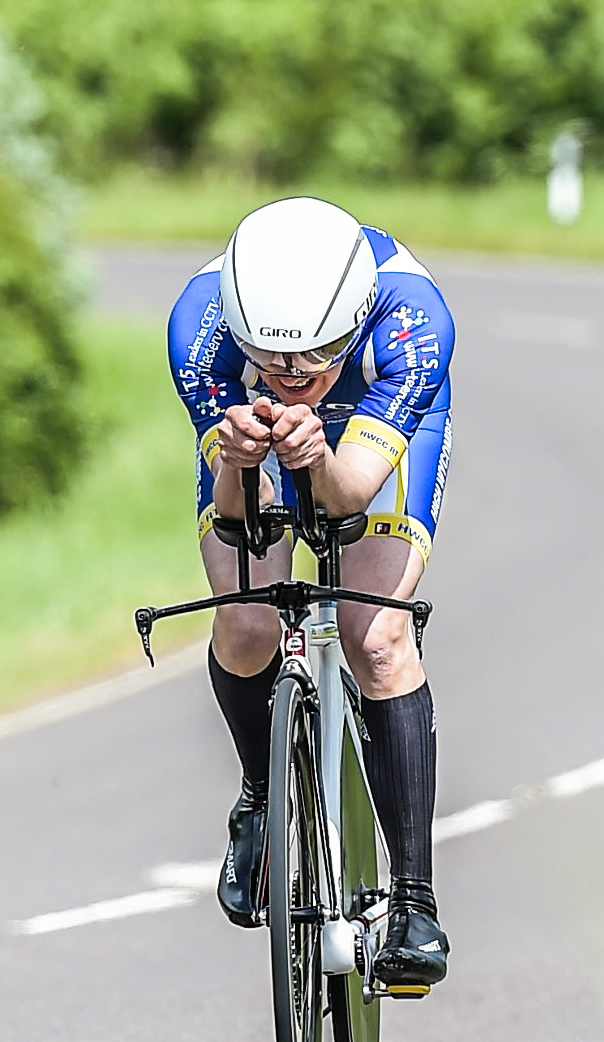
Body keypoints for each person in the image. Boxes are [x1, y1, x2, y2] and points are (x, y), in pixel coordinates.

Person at [166, 197, 454, 988]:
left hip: (369, 425)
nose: (292, 378)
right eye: (272, 360)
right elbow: (241, 519)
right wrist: (237, 461)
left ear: (353, 322)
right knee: (248, 617)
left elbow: (347, 496)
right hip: (247, 444)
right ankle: (259, 798)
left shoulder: (411, 322)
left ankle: (412, 900)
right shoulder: (199, 329)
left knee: (375, 637)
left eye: (314, 358)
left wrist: (313, 457)